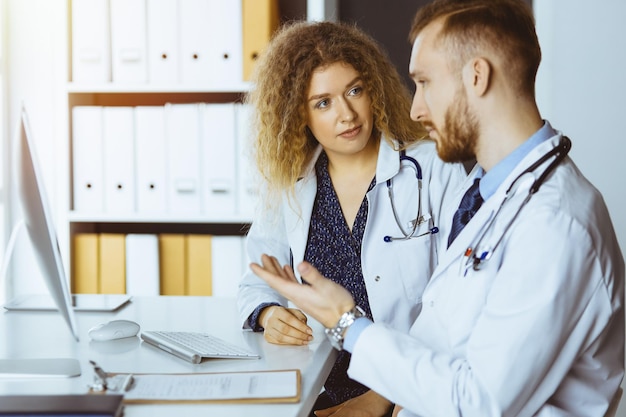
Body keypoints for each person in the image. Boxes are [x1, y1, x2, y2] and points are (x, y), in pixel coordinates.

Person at [250, 1, 626, 416]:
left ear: (477, 77)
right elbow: (449, 339)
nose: (414, 108)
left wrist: (347, 323)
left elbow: (476, 403)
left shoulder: (555, 226)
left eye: (425, 82)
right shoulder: (495, 196)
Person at [237, 20, 467, 416]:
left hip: (412, 393)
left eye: (354, 90)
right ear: (299, 114)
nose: (346, 114)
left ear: (372, 89)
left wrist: (381, 399)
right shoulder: (291, 184)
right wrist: (269, 314)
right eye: (322, 102)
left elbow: (457, 305)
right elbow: (257, 278)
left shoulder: (433, 170)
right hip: (317, 386)